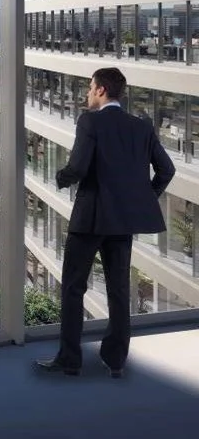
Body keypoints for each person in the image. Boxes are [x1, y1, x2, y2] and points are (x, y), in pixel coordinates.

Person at [35, 68, 174, 379]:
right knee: (118, 290)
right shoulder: (142, 127)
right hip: (122, 223)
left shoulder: (90, 121)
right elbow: (166, 170)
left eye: (88, 88)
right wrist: (142, 199)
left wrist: (60, 177)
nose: (86, 94)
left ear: (100, 90)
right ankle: (115, 361)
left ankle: (70, 360)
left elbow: (79, 166)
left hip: (91, 219)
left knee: (73, 288)